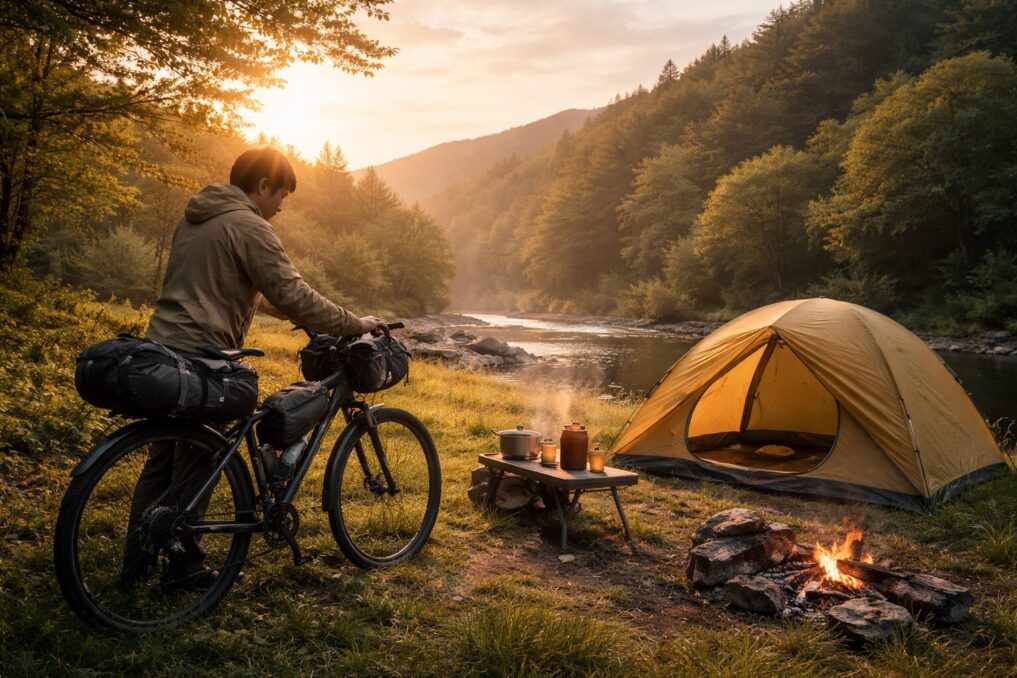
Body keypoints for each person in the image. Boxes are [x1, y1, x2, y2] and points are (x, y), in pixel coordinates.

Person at [121, 148, 387, 589]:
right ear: (263, 185)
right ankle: (184, 567)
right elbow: (292, 292)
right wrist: (355, 323)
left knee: (162, 460)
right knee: (200, 456)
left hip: (162, 351)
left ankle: (137, 564)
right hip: (204, 355)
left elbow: (239, 286)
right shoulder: (250, 225)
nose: (281, 206)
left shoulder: (197, 218)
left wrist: (288, 314)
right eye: (282, 194)